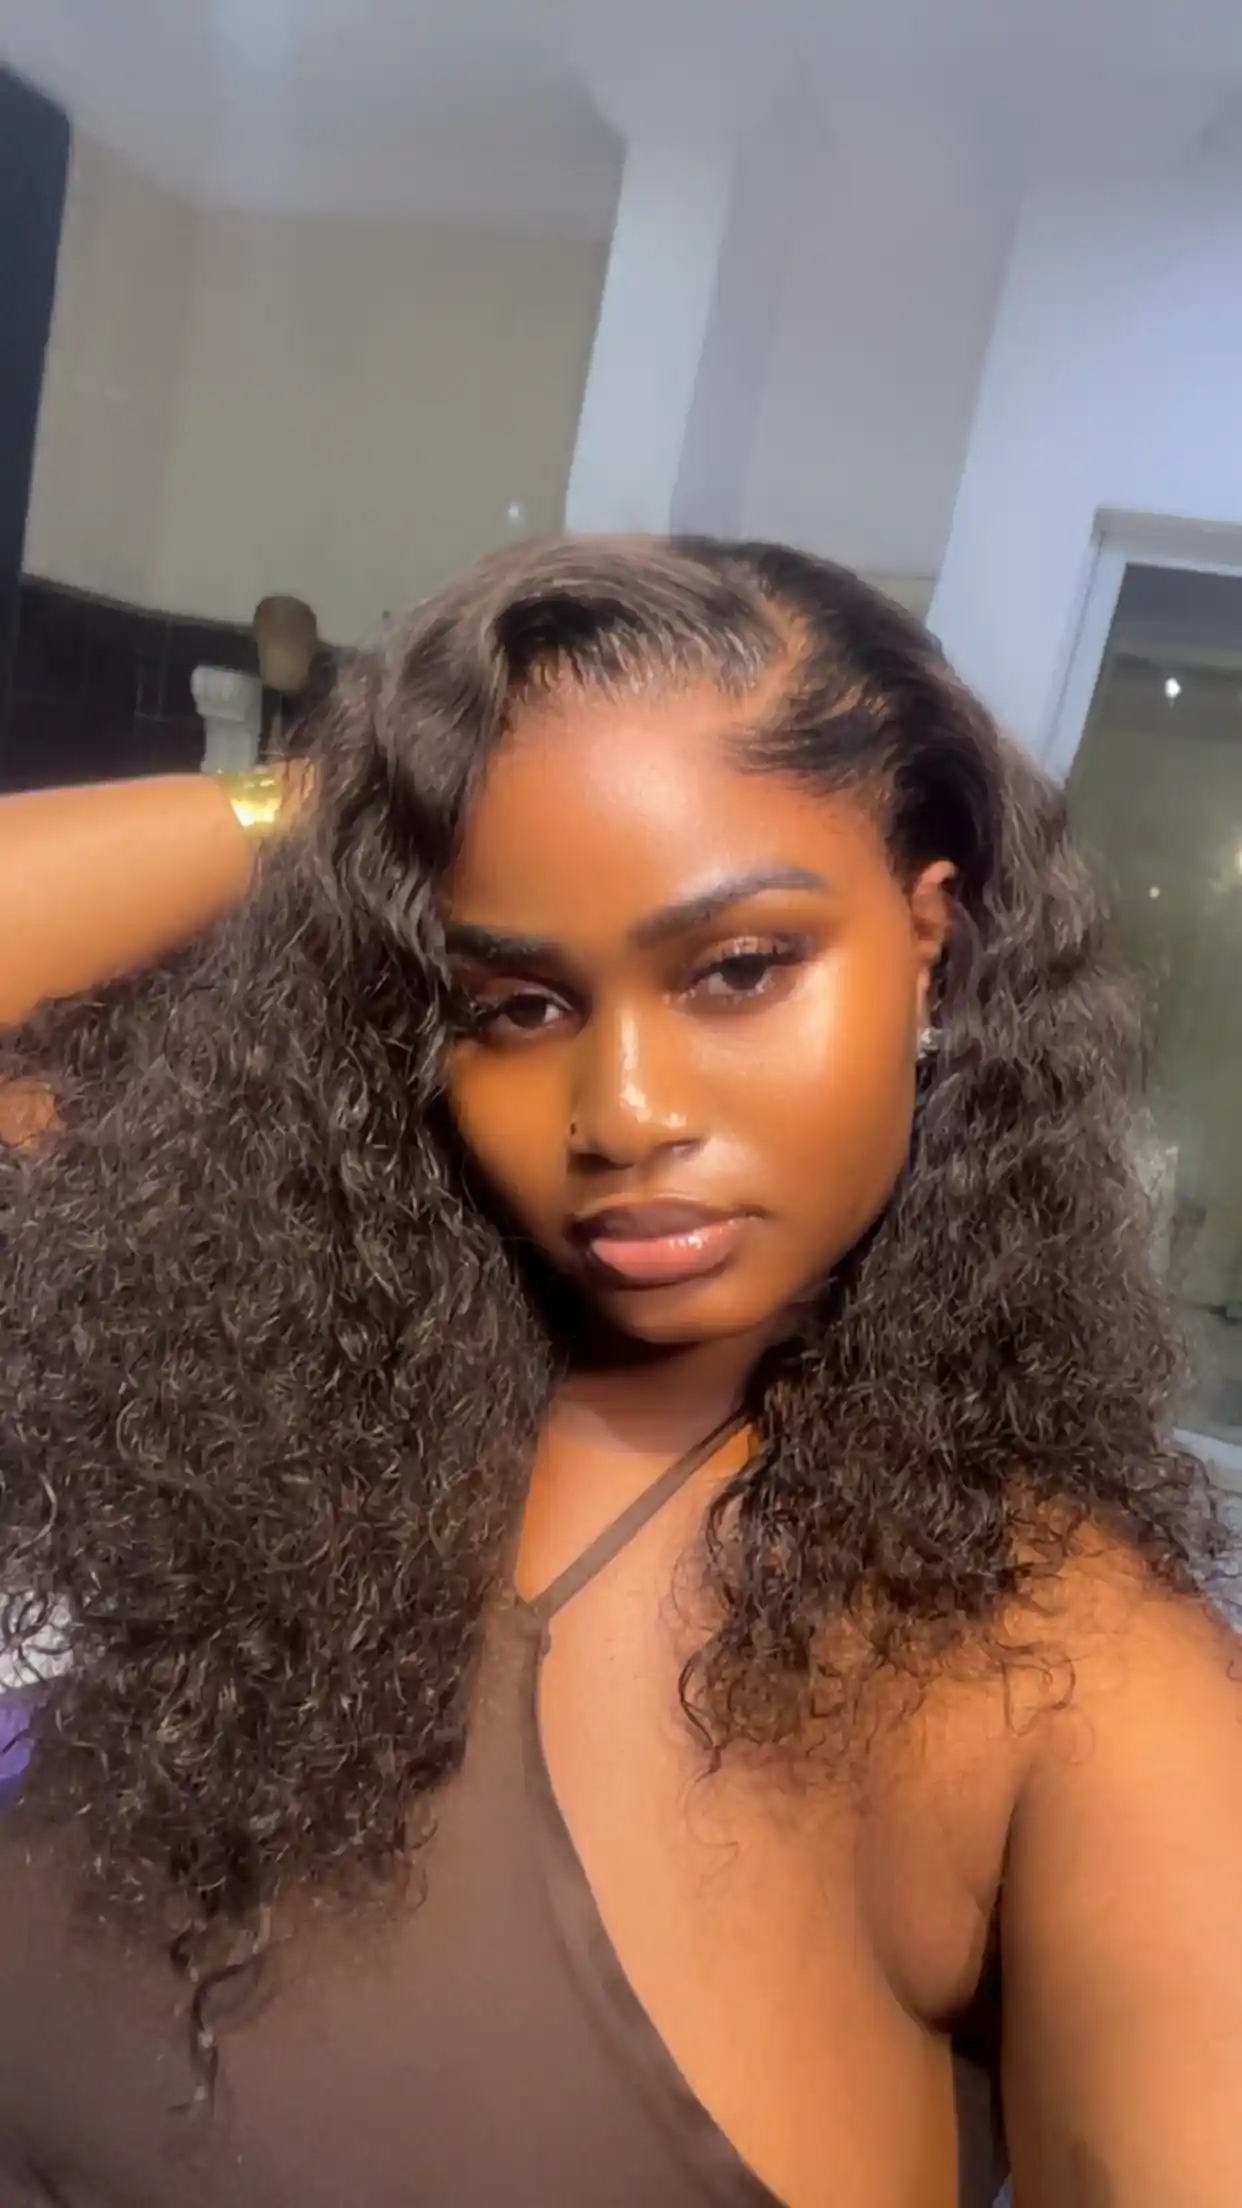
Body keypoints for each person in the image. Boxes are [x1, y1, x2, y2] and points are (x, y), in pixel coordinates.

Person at [0, 535, 1237, 2208]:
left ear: (930, 943)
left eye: (737, 970)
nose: (623, 1113)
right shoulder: (291, 1391)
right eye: (517, 1005)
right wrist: (351, 807)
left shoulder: (1060, 1682)